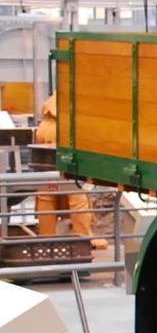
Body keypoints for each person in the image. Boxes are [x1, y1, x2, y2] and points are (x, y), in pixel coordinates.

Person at [32, 94, 105, 247]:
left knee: (46, 198)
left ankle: (46, 239)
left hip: (46, 172)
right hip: (69, 172)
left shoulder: (44, 125)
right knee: (78, 199)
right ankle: (84, 239)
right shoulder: (66, 124)